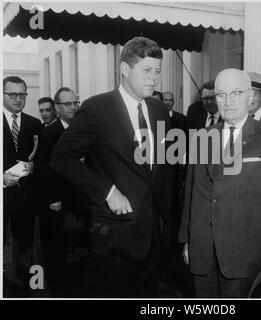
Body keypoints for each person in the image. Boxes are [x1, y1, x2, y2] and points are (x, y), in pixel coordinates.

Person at [51, 37, 174, 298]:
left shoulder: (160, 110)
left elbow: (162, 168)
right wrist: (107, 191)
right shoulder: (97, 108)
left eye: (158, 71)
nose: (154, 78)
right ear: (125, 69)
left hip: (153, 235)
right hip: (114, 236)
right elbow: (61, 158)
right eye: (147, 70)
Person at [178, 68, 261, 298]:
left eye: (235, 93)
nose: (227, 102)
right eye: (221, 95)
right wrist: (187, 240)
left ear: (250, 96)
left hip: (244, 252)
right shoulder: (202, 136)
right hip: (203, 250)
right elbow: (192, 193)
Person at [35, 87, 89, 297]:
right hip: (58, 202)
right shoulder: (48, 133)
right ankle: (59, 290)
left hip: (80, 200)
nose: (73, 107)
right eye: (68, 104)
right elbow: (44, 170)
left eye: (75, 102)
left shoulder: (83, 130)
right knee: (57, 248)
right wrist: (55, 198)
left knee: (79, 245)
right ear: (57, 108)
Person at [3, 76, 41, 296]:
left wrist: (33, 165)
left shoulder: (34, 124)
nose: (18, 99)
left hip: (25, 197)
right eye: (12, 94)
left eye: (22, 95)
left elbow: (42, 160)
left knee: (25, 243)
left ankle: (26, 286)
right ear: (3, 94)